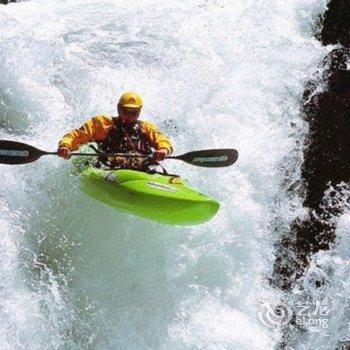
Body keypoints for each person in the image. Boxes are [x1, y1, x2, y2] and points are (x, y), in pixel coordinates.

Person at [57, 91, 173, 170]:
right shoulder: (102, 123)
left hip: (141, 168)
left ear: (139, 111)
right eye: (125, 111)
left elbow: (162, 140)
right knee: (88, 150)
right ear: (118, 108)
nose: (129, 116)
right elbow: (76, 135)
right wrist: (66, 146)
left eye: (134, 113)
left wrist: (163, 149)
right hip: (108, 167)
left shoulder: (147, 127)